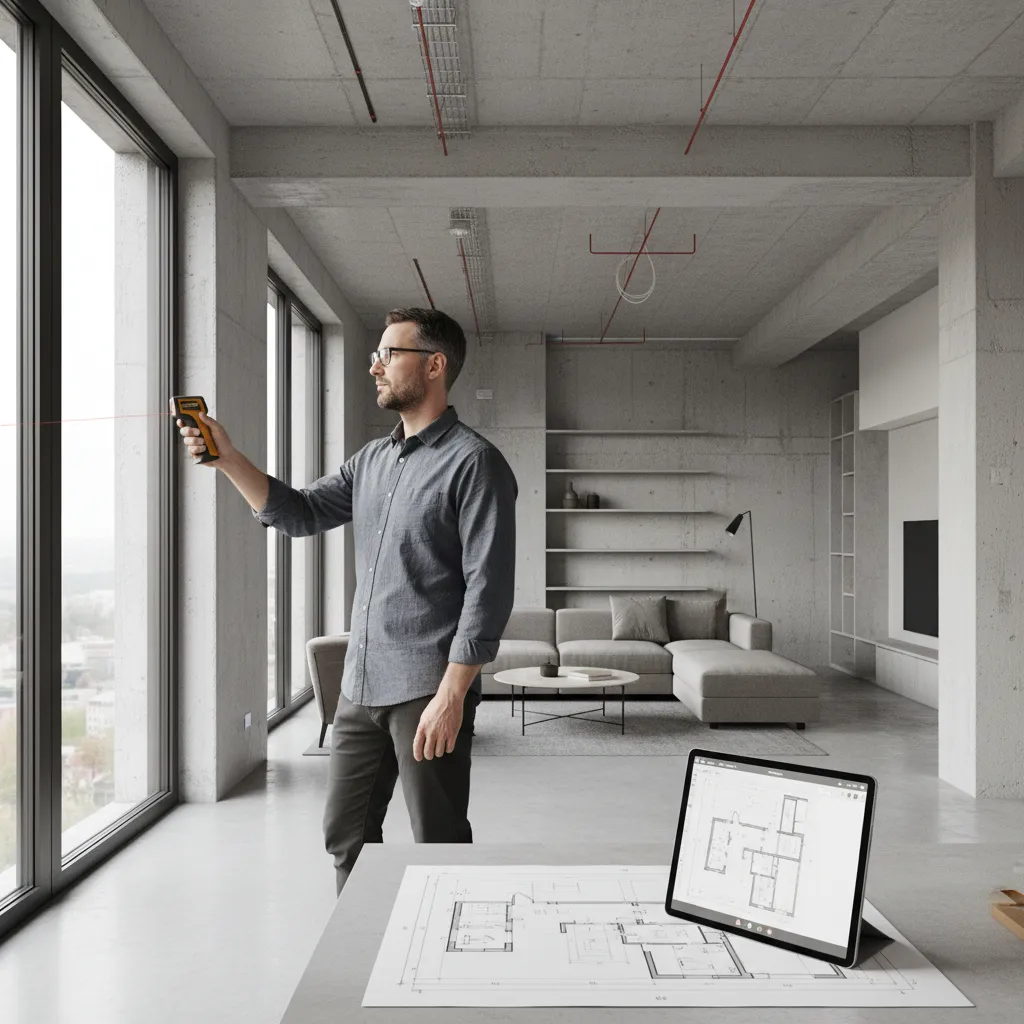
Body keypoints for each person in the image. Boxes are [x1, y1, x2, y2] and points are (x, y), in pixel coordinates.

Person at [176, 308, 517, 893]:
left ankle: (442, 969)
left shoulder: (475, 463)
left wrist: (453, 696)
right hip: (361, 684)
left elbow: (489, 589)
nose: (374, 365)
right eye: (376, 353)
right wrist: (228, 457)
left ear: (434, 366)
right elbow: (299, 513)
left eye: (390, 353)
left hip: (426, 687)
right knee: (345, 835)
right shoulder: (372, 460)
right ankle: (364, 958)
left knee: (438, 839)